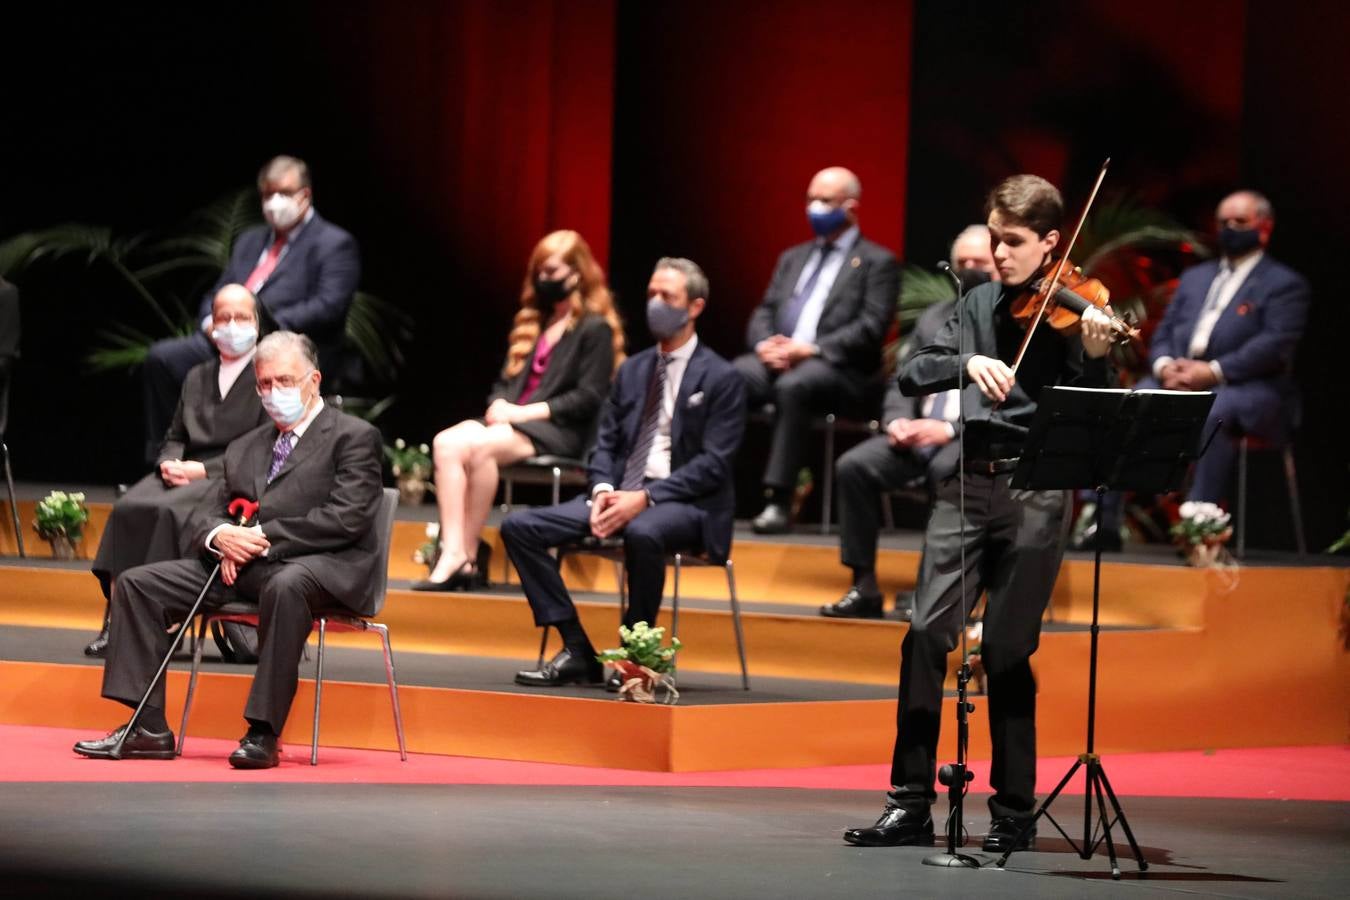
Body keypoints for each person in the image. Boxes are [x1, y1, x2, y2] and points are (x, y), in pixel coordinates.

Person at [843, 175, 1116, 851]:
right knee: (924, 634)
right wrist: (967, 363)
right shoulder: (977, 301)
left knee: (1005, 650)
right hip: (967, 485)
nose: (997, 253)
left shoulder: (1076, 312)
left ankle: (1014, 813)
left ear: (1052, 243)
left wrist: (1098, 351)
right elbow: (912, 371)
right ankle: (909, 803)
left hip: (1037, 494)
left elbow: (1098, 406)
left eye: (1013, 242)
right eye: (993, 238)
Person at [73, 331, 383, 769]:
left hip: (322, 567)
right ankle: (149, 727)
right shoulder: (247, 446)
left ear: (314, 380)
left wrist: (259, 540)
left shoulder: (353, 437)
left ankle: (264, 732)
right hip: (242, 567)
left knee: (287, 587)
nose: (275, 393)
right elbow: (205, 515)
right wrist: (220, 537)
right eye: (266, 384)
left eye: (286, 381)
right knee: (139, 584)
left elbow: (347, 517)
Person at [500, 258, 745, 688]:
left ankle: (636, 658)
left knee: (643, 532)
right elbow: (605, 444)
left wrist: (645, 499)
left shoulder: (723, 377)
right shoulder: (632, 370)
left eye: (667, 296)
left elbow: (714, 464)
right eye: (651, 294)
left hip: (685, 504)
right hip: (621, 492)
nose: (655, 303)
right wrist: (602, 490)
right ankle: (577, 648)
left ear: (695, 307)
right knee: (520, 526)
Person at [412, 230, 623, 591]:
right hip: (512, 422)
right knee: (445, 443)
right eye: (539, 271)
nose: (544, 280)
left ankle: (458, 555)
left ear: (576, 274)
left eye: (552, 271)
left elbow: (587, 398)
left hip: (557, 429)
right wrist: (499, 403)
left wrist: (524, 413)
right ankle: (459, 551)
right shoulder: (535, 323)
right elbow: (507, 381)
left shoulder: (595, 329)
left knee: (479, 449)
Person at [821, 226, 999, 620]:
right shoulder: (935, 317)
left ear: (1000, 265)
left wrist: (950, 430)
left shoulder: (1007, 322)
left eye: (979, 263)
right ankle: (863, 586)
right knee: (854, 467)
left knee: (944, 468)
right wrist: (898, 421)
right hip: (918, 433)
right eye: (962, 263)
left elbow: (1008, 399)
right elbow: (903, 379)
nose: (969, 270)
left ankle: (936, 589)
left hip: (968, 435)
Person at [83, 284, 270, 656]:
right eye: (224, 318)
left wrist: (203, 469)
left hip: (226, 473)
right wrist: (169, 461)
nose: (232, 325)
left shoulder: (265, 377)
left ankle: (163, 619)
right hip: (185, 468)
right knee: (129, 508)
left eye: (242, 318)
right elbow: (174, 434)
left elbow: (263, 444)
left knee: (171, 510)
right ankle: (120, 622)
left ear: (257, 324)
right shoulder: (197, 375)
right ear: (211, 326)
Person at [141, 155, 360, 463]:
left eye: (283, 193)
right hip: (227, 338)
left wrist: (263, 329)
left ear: (305, 195)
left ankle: (227, 466)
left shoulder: (333, 243)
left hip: (285, 346)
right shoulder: (250, 240)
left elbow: (329, 306)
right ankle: (163, 462)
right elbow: (219, 291)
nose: (274, 202)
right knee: (162, 360)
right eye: (268, 195)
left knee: (264, 372)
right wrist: (209, 322)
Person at [734, 166, 899, 534]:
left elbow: (871, 328)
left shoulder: (877, 261)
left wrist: (809, 349)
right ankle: (714, 489)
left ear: (851, 206)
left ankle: (779, 499)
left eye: (824, 201)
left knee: (795, 386)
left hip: (842, 371)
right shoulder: (793, 257)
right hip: (781, 358)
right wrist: (765, 345)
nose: (814, 208)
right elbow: (765, 309)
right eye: (810, 199)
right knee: (730, 378)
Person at [1140, 189, 1309, 503]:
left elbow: (1275, 344)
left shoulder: (1284, 284)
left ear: (1265, 226)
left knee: (1211, 410)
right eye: (1223, 222)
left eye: (1240, 221)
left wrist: (1212, 372)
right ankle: (1101, 523)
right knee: (1130, 401)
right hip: (1178, 378)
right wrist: (1165, 367)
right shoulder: (1194, 278)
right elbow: (1163, 331)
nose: (1230, 228)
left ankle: (1200, 523)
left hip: (1251, 388)